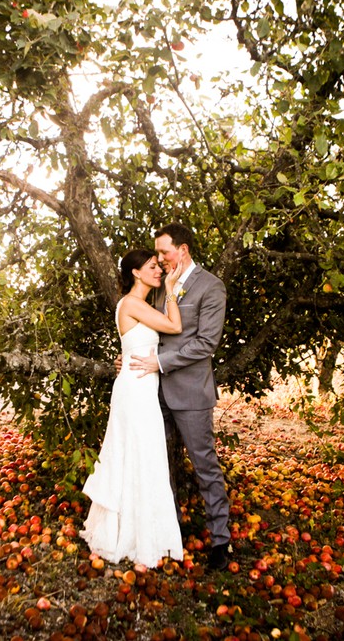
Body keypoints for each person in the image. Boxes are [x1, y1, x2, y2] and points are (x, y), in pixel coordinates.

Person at [129, 223, 232, 570]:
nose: (159, 259)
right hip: (153, 393)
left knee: (205, 467)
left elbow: (206, 344)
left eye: (164, 252)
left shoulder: (211, 287)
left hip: (190, 392)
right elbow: (150, 327)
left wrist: (159, 362)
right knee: (160, 466)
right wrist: (132, 353)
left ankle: (220, 540)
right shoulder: (161, 286)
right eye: (157, 254)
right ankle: (167, 533)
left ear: (183, 249)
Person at [80, 249, 185, 568]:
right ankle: (129, 536)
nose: (158, 270)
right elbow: (174, 326)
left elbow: (139, 345)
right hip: (135, 392)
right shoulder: (133, 303)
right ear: (136, 273)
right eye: (153, 267)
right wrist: (170, 288)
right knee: (138, 455)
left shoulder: (137, 305)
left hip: (138, 387)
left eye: (159, 267)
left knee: (141, 456)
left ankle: (138, 532)